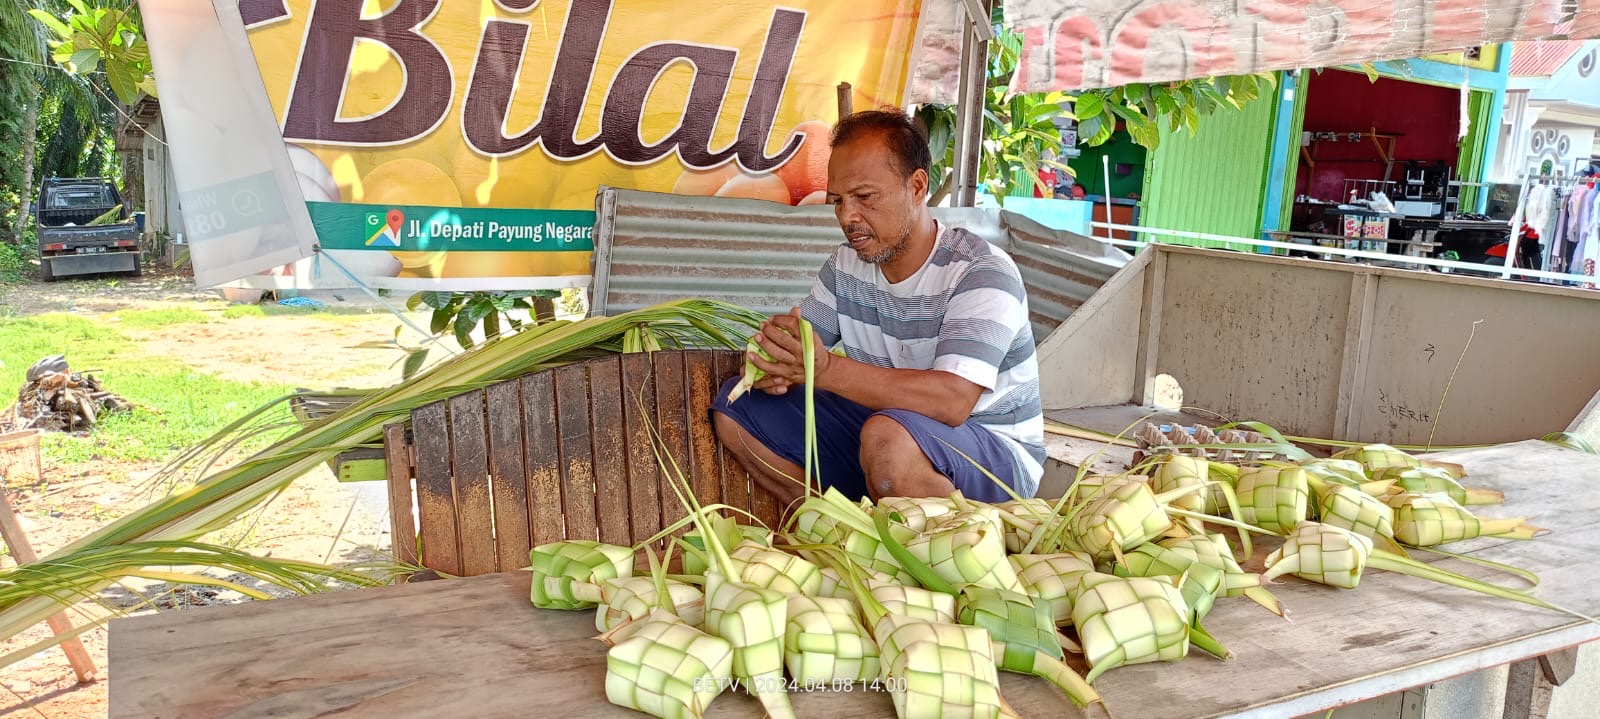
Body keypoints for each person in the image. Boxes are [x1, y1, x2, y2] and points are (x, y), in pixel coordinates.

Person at [710, 109, 1045, 513]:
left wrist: (825, 370)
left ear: (917, 187)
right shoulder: (845, 266)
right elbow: (805, 350)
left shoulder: (981, 272)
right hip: (885, 432)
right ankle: (835, 526)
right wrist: (777, 361)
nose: (847, 216)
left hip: (993, 453)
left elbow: (951, 402)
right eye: (838, 200)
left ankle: (967, 541)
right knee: (735, 407)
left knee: (889, 440)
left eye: (865, 197)